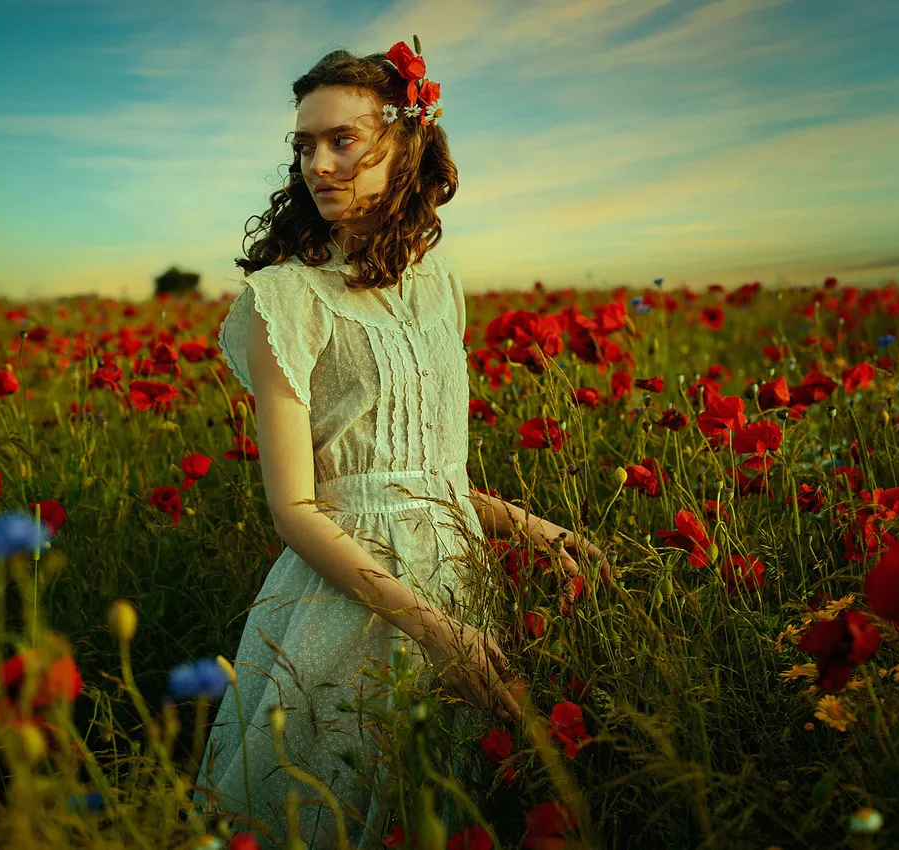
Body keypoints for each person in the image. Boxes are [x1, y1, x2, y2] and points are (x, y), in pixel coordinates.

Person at [192, 38, 606, 850]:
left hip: (460, 582)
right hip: (346, 603)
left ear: (406, 142)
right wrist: (439, 636)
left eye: (343, 139)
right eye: (304, 145)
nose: (319, 163)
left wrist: (533, 528)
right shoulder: (286, 298)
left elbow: (425, 471)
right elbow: (296, 510)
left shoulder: (439, 283)